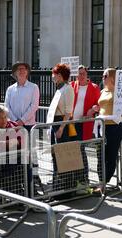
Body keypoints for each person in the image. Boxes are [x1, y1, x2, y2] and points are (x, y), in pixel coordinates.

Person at [4, 62, 40, 196]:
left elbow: (34, 106)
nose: (21, 71)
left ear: (27, 72)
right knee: (16, 156)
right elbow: (7, 106)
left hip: (28, 126)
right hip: (14, 127)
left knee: (29, 157)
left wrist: (22, 121)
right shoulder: (10, 89)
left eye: (24, 69)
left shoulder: (33, 87)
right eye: (18, 69)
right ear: (15, 73)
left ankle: (31, 187)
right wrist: (14, 122)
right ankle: (17, 187)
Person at [90, 68, 122, 193]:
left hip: (114, 127)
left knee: (110, 156)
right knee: (100, 155)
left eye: (105, 76)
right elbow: (103, 107)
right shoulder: (103, 91)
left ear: (112, 77)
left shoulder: (119, 91)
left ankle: (104, 183)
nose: (103, 78)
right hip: (102, 127)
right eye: (102, 76)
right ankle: (101, 181)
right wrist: (96, 109)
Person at [47, 64, 75, 197]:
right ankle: (57, 187)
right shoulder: (60, 89)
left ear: (59, 75)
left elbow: (68, 113)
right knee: (55, 156)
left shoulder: (68, 89)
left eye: (54, 74)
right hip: (55, 123)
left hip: (61, 124)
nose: (52, 77)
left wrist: (61, 128)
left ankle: (65, 190)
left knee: (62, 157)